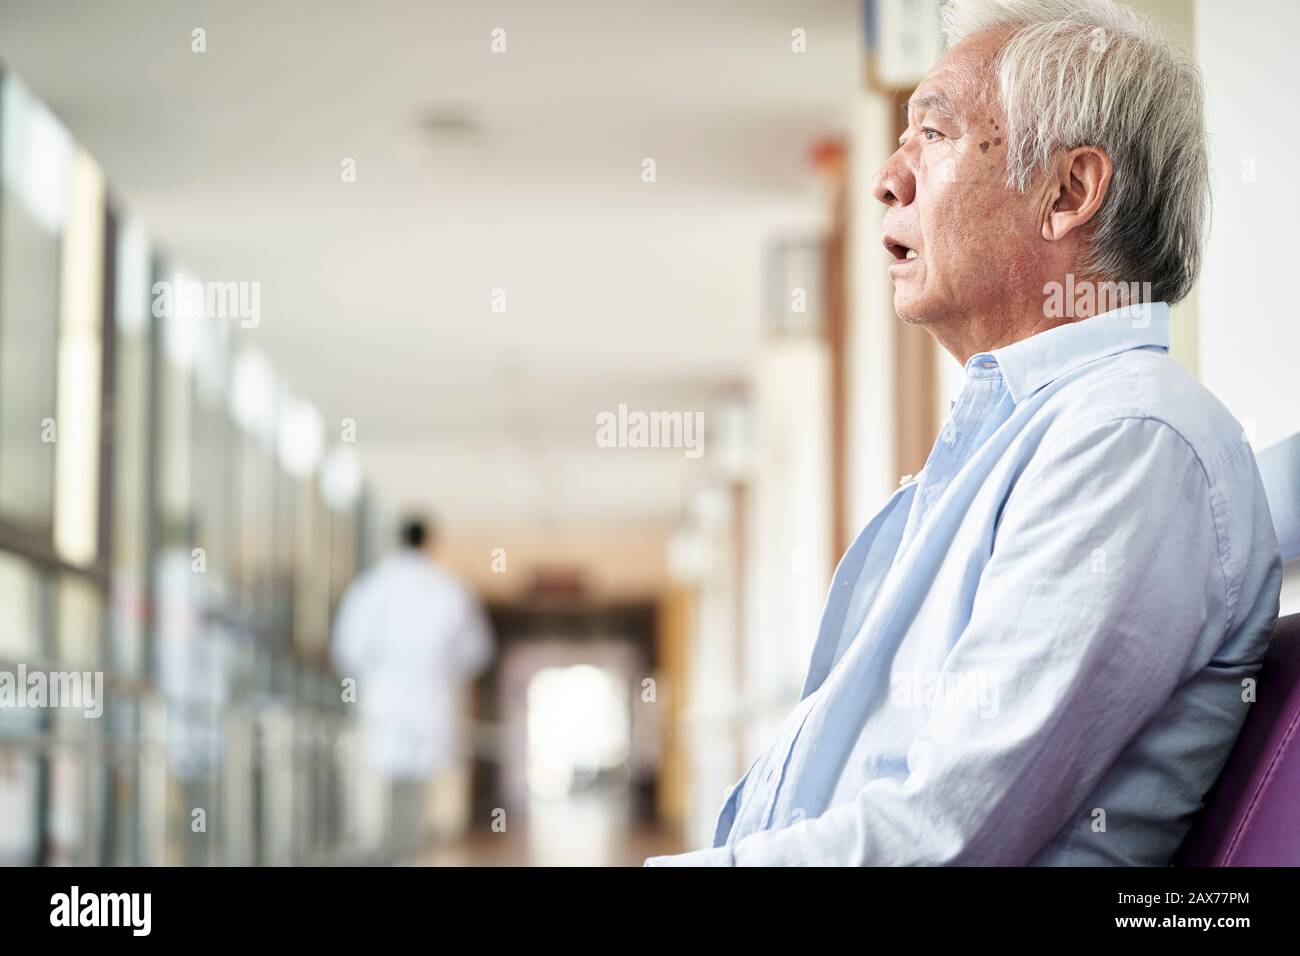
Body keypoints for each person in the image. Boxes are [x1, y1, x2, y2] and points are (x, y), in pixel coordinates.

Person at [647, 0, 1282, 866]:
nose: (887, 178)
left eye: (934, 134)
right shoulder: (1039, 433)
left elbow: (938, 838)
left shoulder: (1129, 439)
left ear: (1068, 191)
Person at [332, 516, 493, 858]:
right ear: (429, 542)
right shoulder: (450, 588)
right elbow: (476, 652)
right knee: (419, 785)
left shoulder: (371, 586)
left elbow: (347, 647)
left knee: (385, 780)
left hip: (384, 698)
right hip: (431, 700)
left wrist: (375, 674)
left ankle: (389, 850)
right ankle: (407, 851)